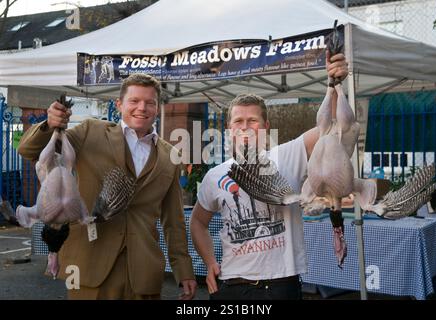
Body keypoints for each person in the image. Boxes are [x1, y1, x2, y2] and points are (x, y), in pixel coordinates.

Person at [18, 73, 197, 300]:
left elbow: (174, 220)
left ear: (157, 106)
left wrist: (184, 271)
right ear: (119, 104)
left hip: (143, 274)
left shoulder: (171, 155)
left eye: (149, 102)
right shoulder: (90, 131)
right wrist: (49, 124)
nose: (142, 108)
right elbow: (29, 151)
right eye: (134, 101)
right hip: (89, 266)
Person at [189, 51, 348, 300]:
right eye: (238, 121)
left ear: (265, 126)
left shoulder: (287, 155)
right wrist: (209, 262)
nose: (244, 126)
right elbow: (197, 221)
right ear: (230, 129)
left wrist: (335, 84)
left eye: (252, 120)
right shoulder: (215, 175)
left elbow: (331, 126)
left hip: (280, 285)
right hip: (232, 285)